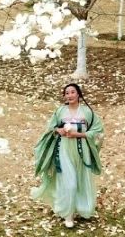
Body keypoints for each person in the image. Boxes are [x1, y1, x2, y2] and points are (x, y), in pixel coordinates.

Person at [31, 83, 104, 228]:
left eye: (72, 92)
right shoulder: (60, 111)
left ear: (78, 94)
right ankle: (68, 214)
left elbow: (98, 131)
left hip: (82, 151)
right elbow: (50, 128)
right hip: (64, 149)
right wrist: (59, 131)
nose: (69, 95)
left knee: (81, 179)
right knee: (69, 182)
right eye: (67, 93)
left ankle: (82, 208)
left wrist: (79, 134)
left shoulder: (87, 112)